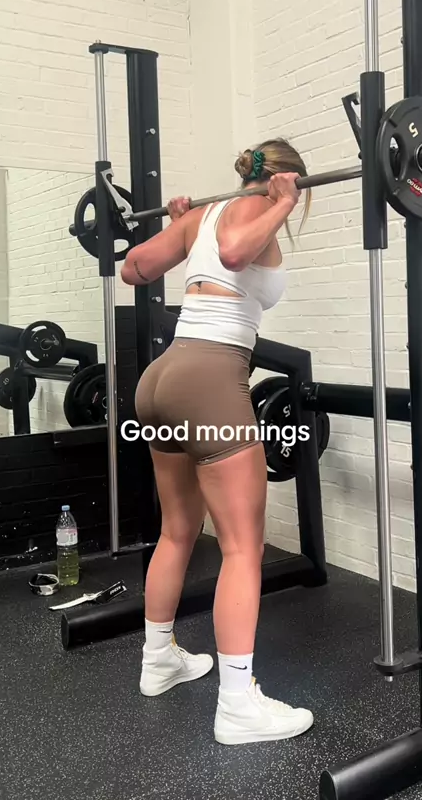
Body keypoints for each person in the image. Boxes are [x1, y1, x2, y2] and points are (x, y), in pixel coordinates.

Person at [121, 138, 314, 746]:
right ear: (286, 179)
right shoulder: (260, 211)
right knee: (241, 548)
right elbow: (234, 253)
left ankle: (159, 660)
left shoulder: (202, 216)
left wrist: (178, 227)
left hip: (161, 379)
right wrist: (283, 204)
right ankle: (237, 706)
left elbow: (134, 267)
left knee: (178, 530)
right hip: (209, 380)